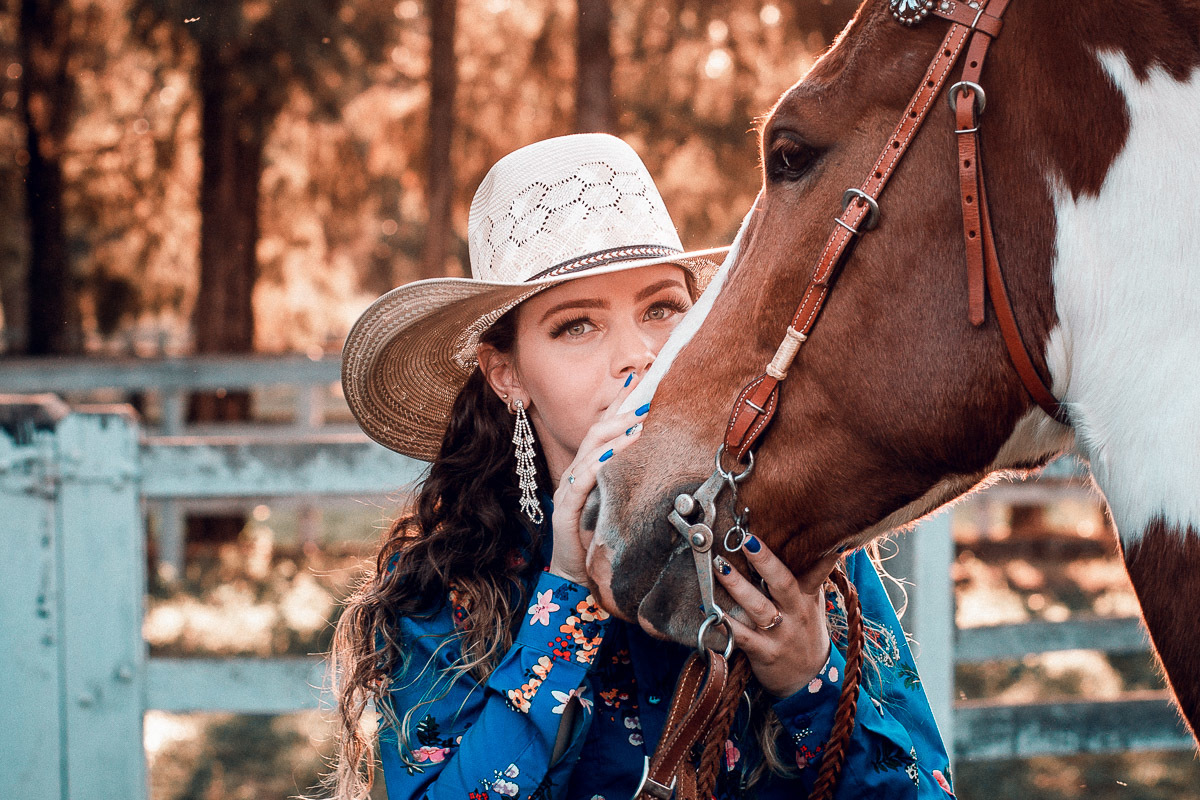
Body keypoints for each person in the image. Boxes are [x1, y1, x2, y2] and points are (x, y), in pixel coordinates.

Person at [327, 134, 956, 800]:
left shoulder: (797, 550)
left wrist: (811, 678)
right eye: (577, 325)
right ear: (507, 374)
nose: (639, 355)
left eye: (661, 309)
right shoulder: (446, 587)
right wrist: (562, 603)